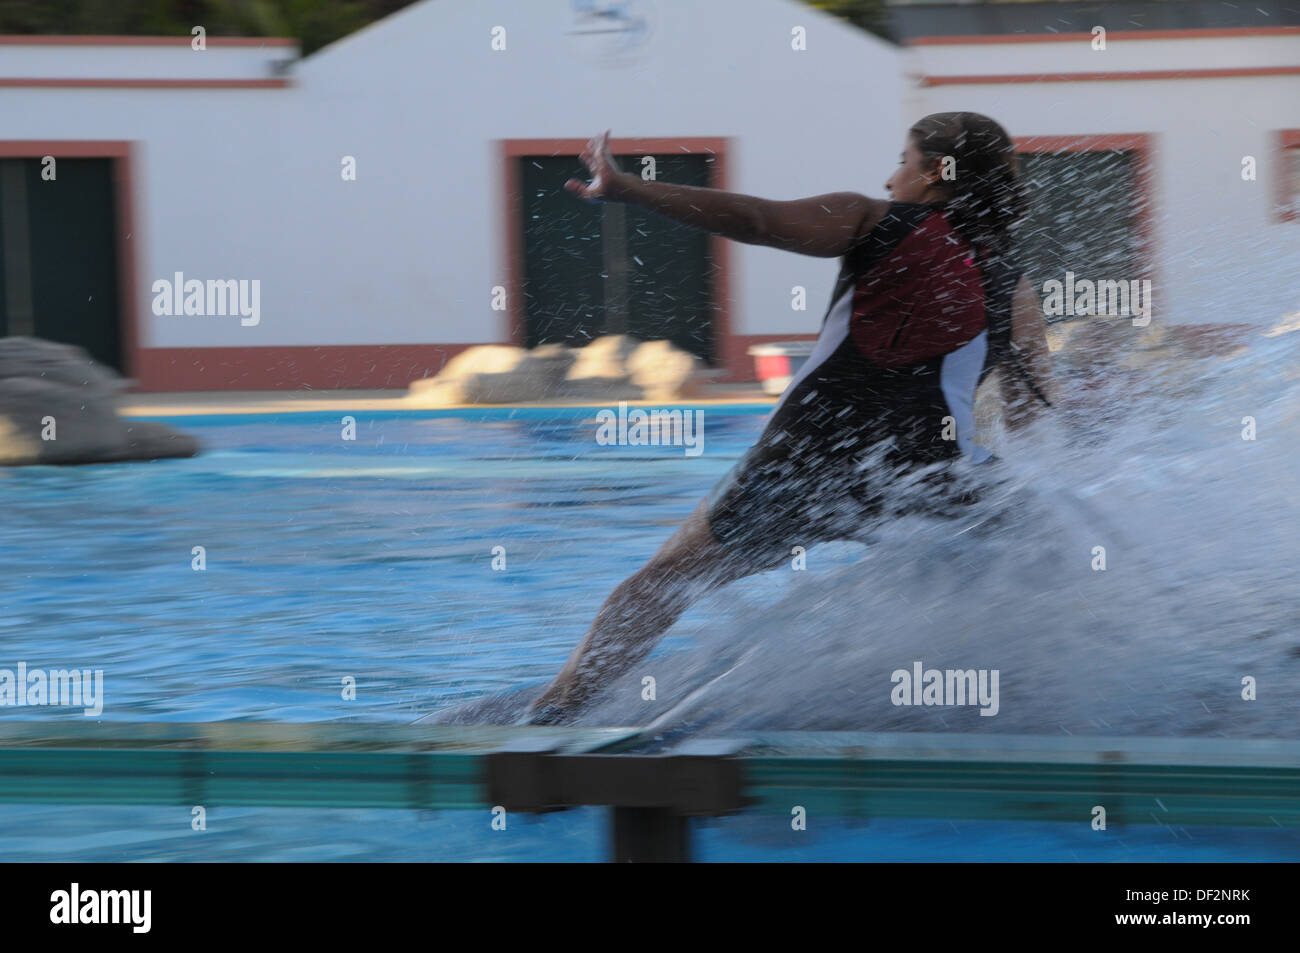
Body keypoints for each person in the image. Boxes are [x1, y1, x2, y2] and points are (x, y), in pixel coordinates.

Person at [525, 112, 1054, 724]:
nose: (890, 178)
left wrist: (629, 189)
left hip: (809, 457)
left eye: (902, 161)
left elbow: (758, 220)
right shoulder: (1015, 288)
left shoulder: (872, 220)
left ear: (936, 172)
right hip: (928, 474)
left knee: (664, 582)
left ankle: (554, 717)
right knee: (1030, 558)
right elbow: (1032, 421)